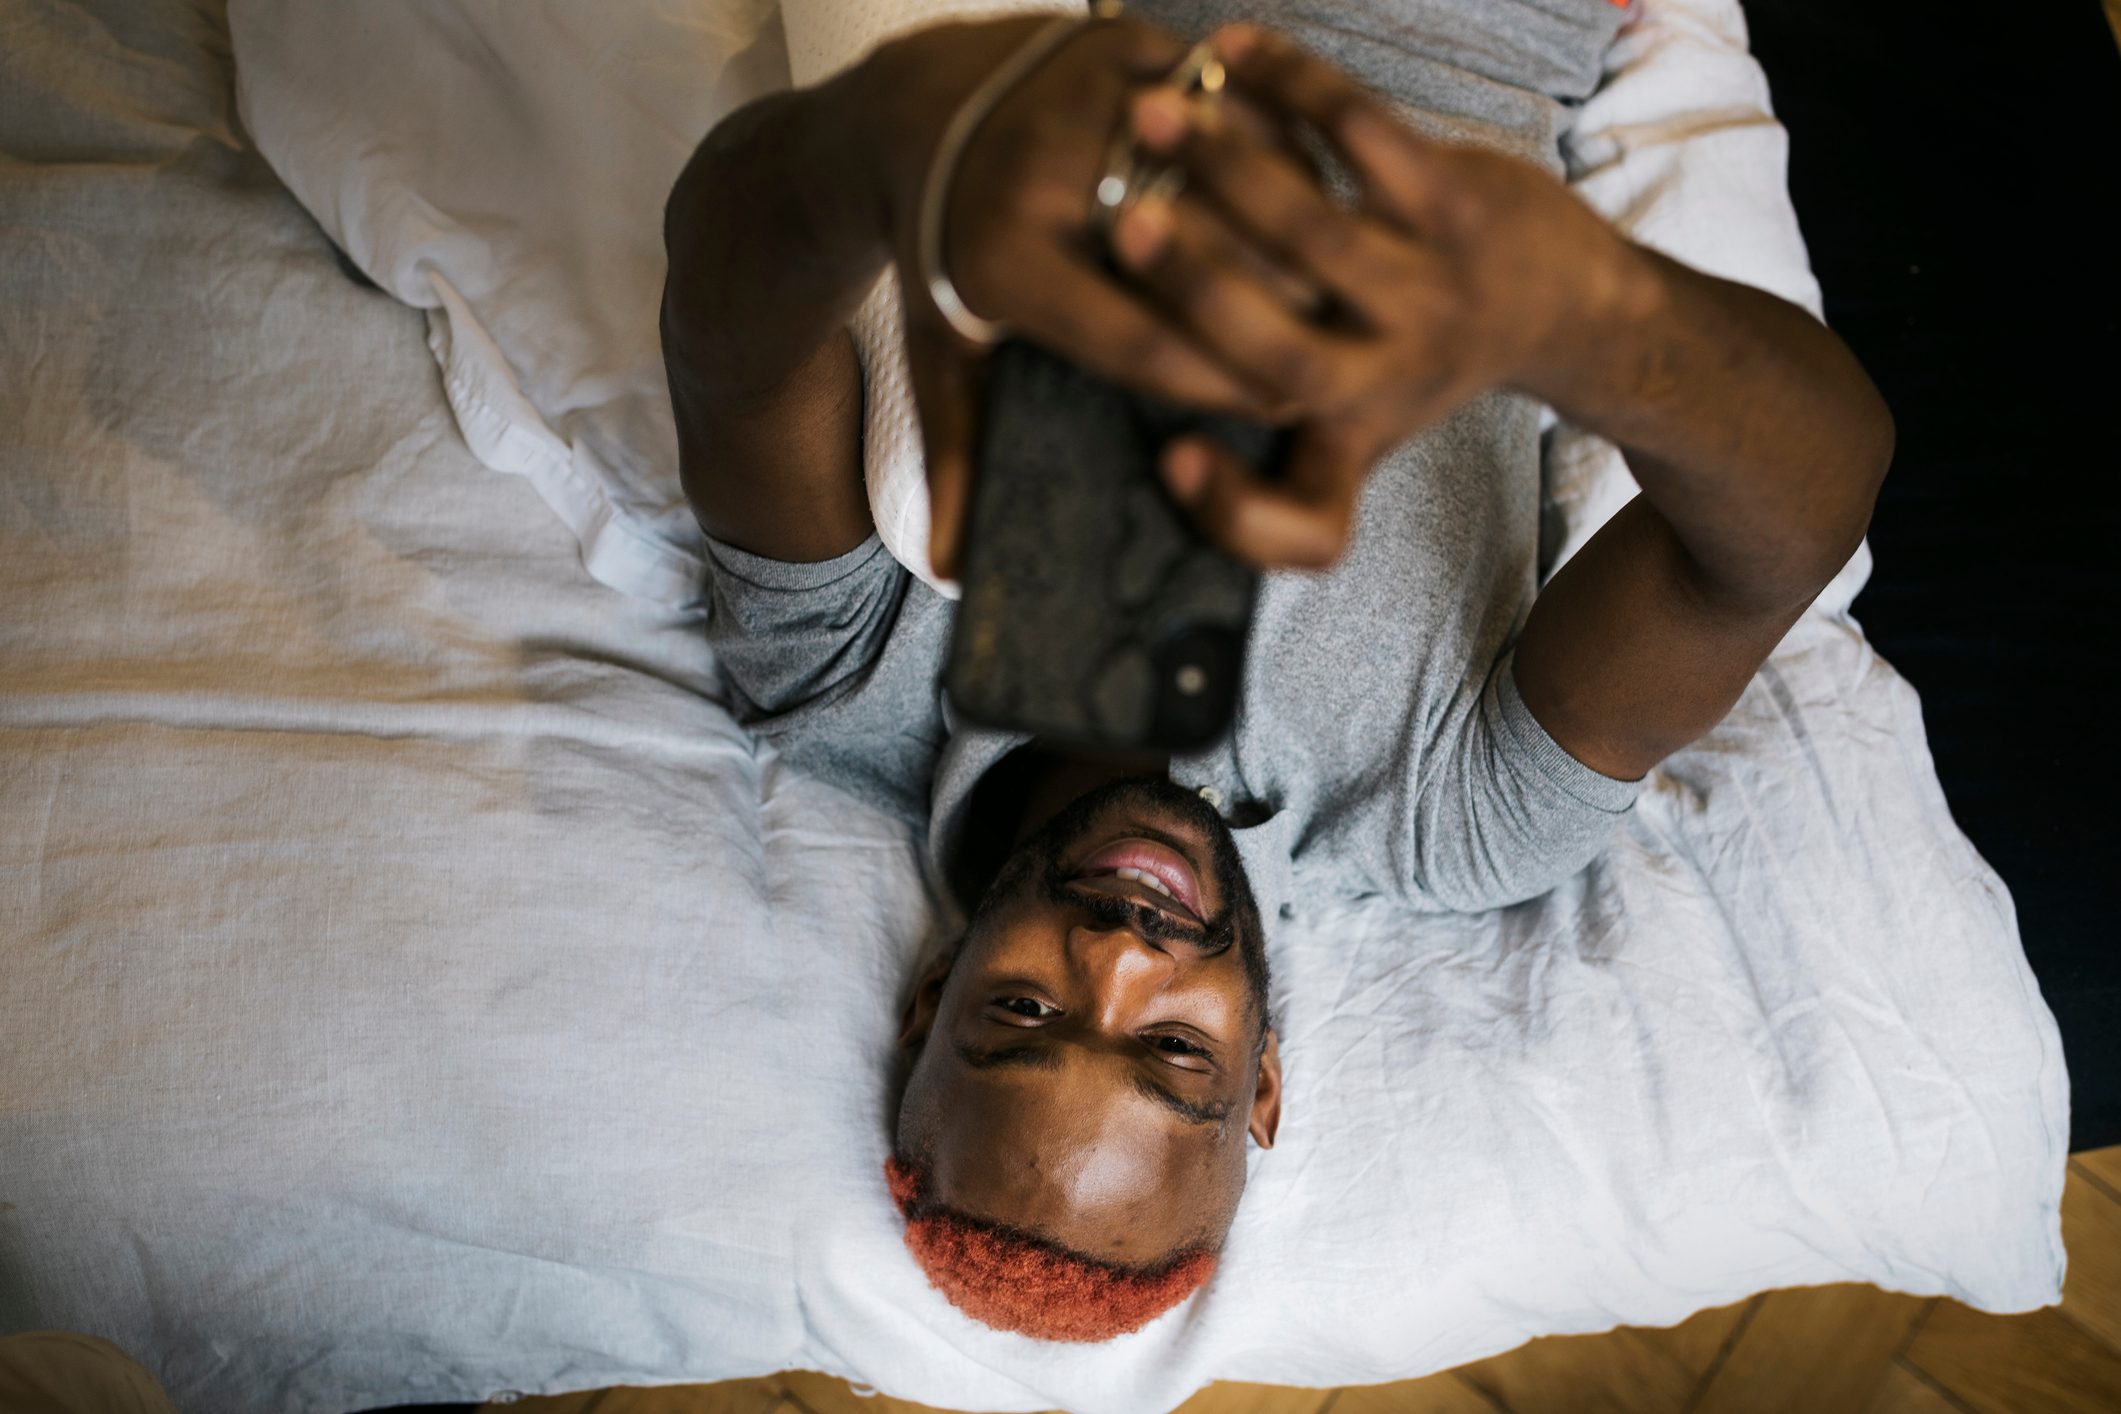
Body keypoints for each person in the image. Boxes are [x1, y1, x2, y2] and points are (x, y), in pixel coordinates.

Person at [659, 0, 1892, 1342]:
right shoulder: (1446, 821)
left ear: (926, 999)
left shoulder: (848, 683)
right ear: (1259, 1085)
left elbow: (724, 332)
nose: (1120, 957)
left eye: (1025, 1007)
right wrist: (1577, 315)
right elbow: (1792, 522)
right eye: (1170, 1051)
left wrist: (903, 139)